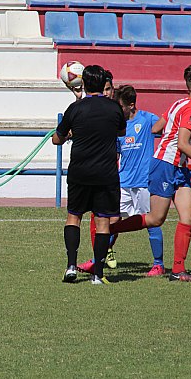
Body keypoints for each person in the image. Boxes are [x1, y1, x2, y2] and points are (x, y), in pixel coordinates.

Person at [108, 65, 191, 282]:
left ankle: (178, 270)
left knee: (188, 216)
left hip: (178, 168)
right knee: (155, 219)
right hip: (165, 166)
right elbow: (182, 143)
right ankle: (110, 229)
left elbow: (157, 128)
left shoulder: (179, 103)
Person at [78, 85, 168, 276]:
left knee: (152, 223)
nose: (118, 111)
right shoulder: (118, 126)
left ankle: (158, 264)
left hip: (144, 182)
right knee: (110, 223)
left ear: (132, 105)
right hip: (123, 182)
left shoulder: (147, 119)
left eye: (121, 107)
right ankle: (97, 261)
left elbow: (167, 128)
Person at [52, 65, 127, 285]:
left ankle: (71, 266)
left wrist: (69, 134)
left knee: (74, 217)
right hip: (106, 173)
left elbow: (57, 138)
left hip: (80, 172)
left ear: (83, 84)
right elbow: (121, 131)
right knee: (103, 222)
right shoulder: (113, 108)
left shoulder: (75, 109)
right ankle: (97, 273)